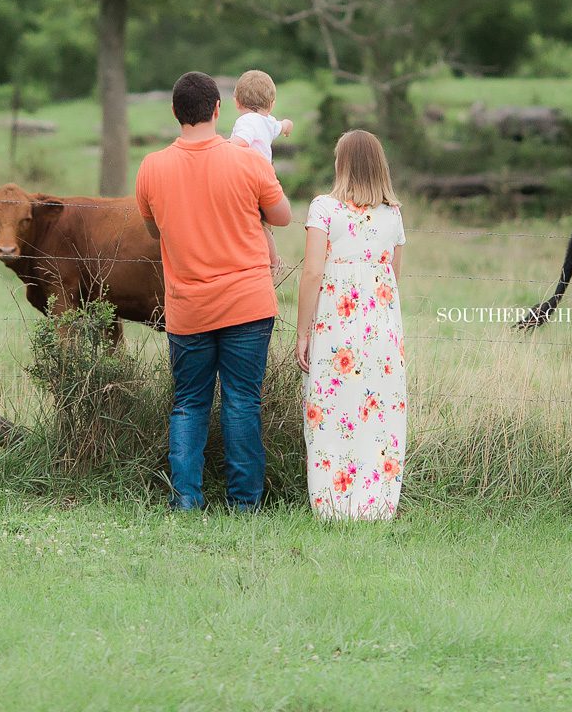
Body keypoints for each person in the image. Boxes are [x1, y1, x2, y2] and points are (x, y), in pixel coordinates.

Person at [135, 71, 293, 511]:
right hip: (247, 302)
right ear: (218, 110)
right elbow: (281, 217)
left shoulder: (151, 168)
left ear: (174, 113)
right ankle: (245, 503)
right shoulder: (249, 162)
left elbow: (153, 229)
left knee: (189, 403)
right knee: (242, 402)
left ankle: (185, 498)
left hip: (188, 308)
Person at [294, 129, 407, 521]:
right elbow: (394, 275)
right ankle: (374, 503)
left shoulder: (324, 209)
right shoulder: (392, 213)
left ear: (341, 163)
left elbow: (311, 274)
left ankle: (333, 504)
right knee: (378, 411)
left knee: (331, 408)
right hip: (380, 328)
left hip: (335, 327)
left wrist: (302, 332)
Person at [228, 69, 294, 279]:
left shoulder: (246, 122)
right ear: (271, 104)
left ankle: (269, 262)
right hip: (266, 179)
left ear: (237, 102)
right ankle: (273, 261)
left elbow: (241, 143)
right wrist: (287, 126)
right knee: (262, 223)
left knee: (251, 220)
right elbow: (283, 124)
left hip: (248, 179)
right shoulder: (268, 121)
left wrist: (220, 145)